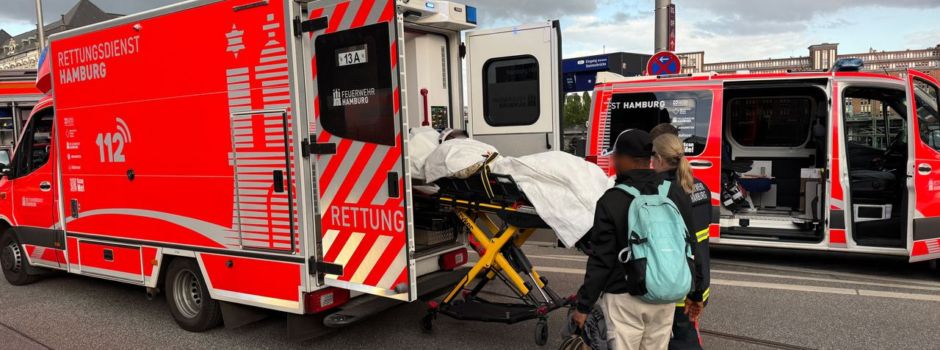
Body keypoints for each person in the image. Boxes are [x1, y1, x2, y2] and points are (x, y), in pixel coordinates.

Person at [573, 129, 696, 350]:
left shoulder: (612, 199)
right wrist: (695, 291)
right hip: (664, 295)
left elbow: (602, 260)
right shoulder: (674, 193)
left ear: (624, 158)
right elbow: (690, 244)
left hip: (624, 297)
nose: (613, 161)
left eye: (615, 156)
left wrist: (584, 306)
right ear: (650, 158)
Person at [650, 130, 713, 350]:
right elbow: (700, 243)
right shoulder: (702, 189)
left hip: (674, 289)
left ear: (658, 158)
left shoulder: (659, 192)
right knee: (688, 338)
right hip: (698, 285)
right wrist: (699, 290)